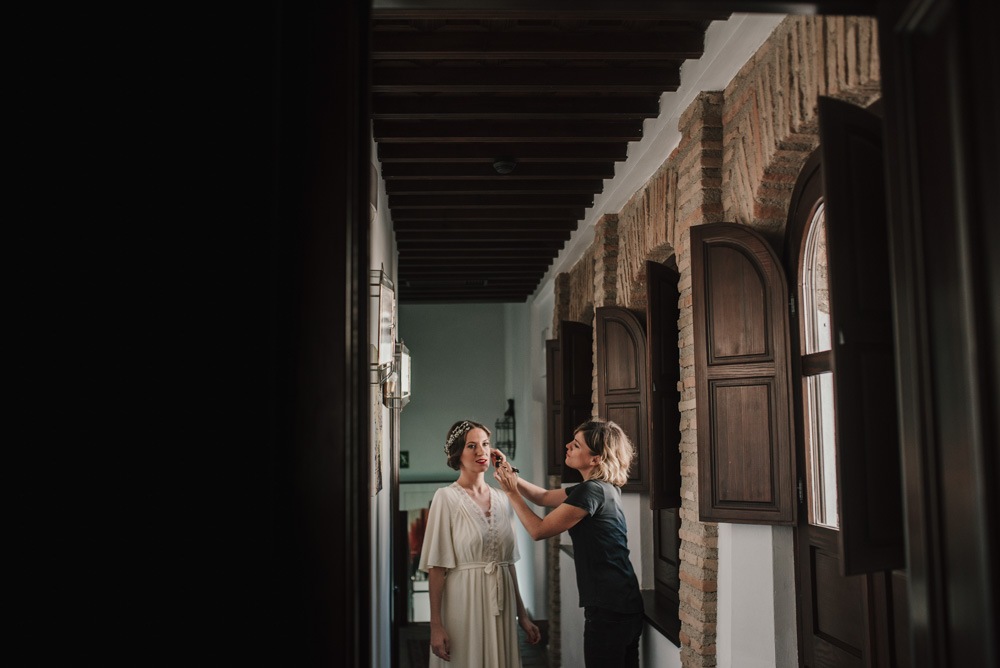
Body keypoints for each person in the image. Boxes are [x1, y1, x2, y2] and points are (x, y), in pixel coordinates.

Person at [493, 418, 643, 668]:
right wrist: (512, 474)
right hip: (624, 602)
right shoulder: (602, 487)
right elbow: (542, 497)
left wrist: (510, 493)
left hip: (608, 608)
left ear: (595, 459)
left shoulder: (591, 491)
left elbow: (538, 530)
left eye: (576, 445)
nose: (567, 446)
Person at [418, 420, 541, 666]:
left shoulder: (503, 498)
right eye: (471, 446)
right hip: (462, 606)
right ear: (458, 455)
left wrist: (522, 615)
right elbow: (437, 568)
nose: (481, 452)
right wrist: (436, 625)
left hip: (502, 607)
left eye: (485, 444)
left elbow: (508, 563)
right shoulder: (446, 498)